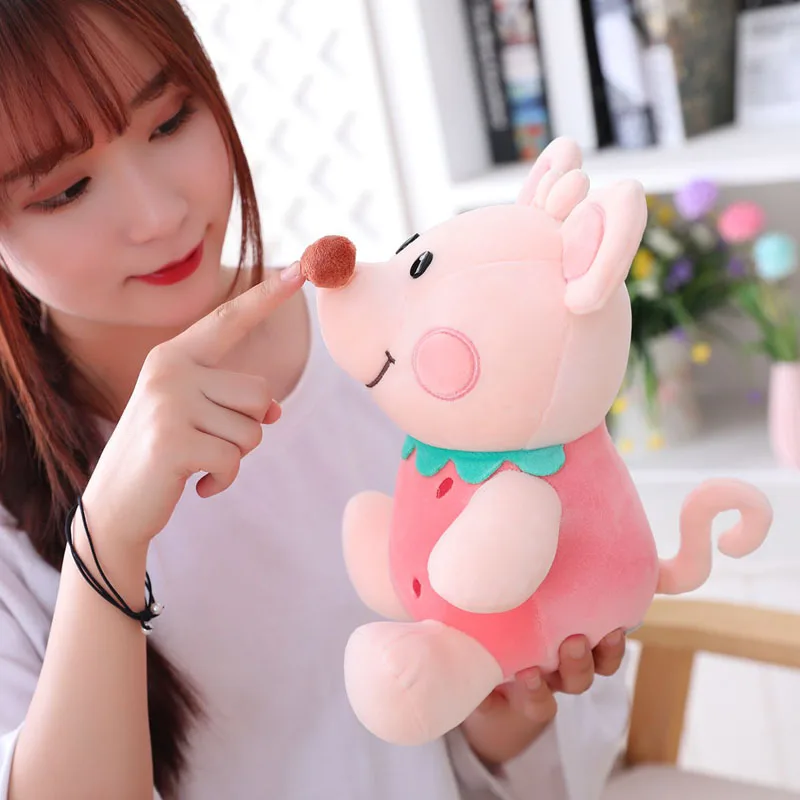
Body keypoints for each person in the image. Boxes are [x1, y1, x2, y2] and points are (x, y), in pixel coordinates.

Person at [0, 2, 631, 799]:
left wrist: (498, 725)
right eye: (66, 190)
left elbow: (510, 734)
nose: (159, 215)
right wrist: (111, 538)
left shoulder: (398, 350)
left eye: (170, 121)